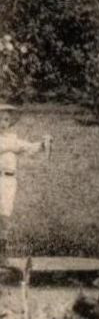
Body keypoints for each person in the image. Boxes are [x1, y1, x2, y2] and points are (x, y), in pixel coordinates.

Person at [0, 103, 50, 261]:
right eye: (0, 119)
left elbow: (28, 148)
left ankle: (2, 254)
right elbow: (10, 146)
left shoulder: (11, 139)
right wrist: (20, 146)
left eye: (6, 120)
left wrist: (43, 144)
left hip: (8, 180)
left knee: (4, 215)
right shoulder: (10, 141)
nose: (3, 123)